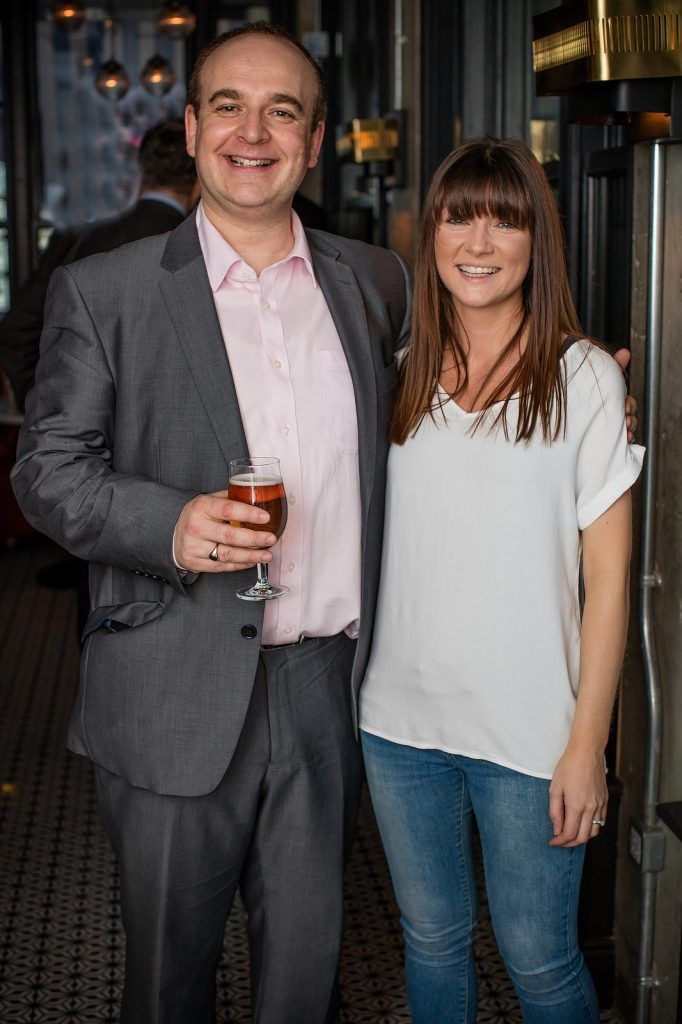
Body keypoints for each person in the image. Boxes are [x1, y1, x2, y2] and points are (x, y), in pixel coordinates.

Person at [11, 23, 410, 1024]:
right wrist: (171, 523)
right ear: (191, 131)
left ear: (314, 141)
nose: (253, 132)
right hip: (170, 682)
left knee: (303, 980)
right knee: (167, 982)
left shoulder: (373, 283)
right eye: (227, 105)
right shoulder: (107, 291)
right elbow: (46, 470)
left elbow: (451, 401)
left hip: (324, 684)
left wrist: (580, 390)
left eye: (283, 110)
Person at [359, 137, 645, 1024]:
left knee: (543, 963)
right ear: (431, 231)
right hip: (397, 727)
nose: (478, 242)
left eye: (504, 220)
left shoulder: (585, 379)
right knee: (431, 943)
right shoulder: (399, 372)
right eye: (458, 215)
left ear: (536, 241)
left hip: (532, 738)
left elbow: (609, 583)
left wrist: (586, 747)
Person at [0, 117, 199, 412]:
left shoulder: (78, 233)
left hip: (76, 425)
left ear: (141, 170)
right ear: (199, 181)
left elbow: (18, 330)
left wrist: (50, 409)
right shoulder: (198, 248)